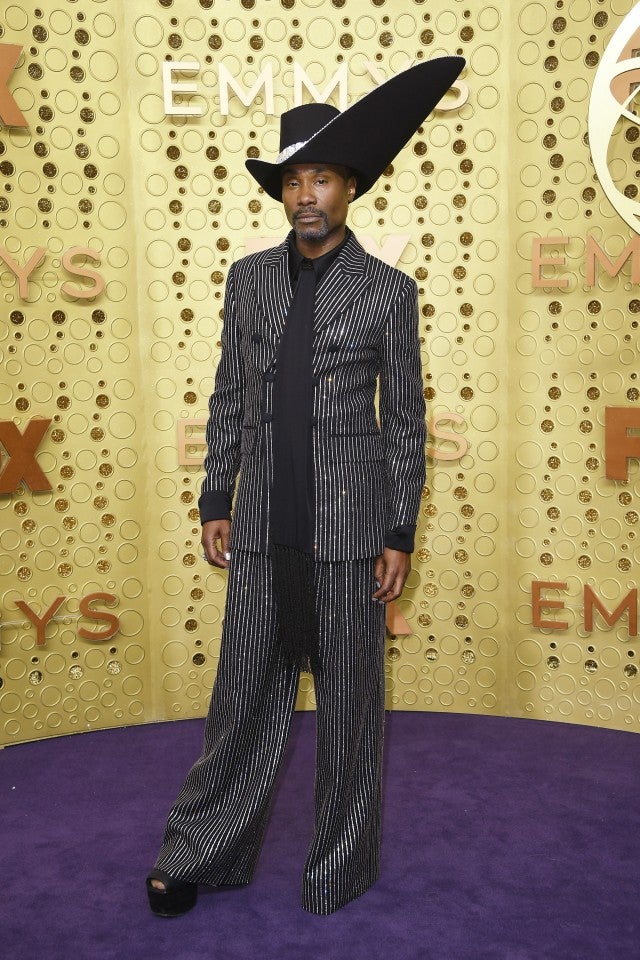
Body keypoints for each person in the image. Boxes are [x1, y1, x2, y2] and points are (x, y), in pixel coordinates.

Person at [147, 56, 464, 917]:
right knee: (242, 699)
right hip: (260, 531)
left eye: (320, 177)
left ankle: (338, 867)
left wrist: (399, 529)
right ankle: (201, 849)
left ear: (349, 186)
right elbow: (228, 394)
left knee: (352, 715)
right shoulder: (247, 281)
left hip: (351, 531)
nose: (305, 195)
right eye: (292, 180)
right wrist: (218, 496)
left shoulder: (389, 293)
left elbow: (403, 422)